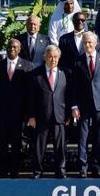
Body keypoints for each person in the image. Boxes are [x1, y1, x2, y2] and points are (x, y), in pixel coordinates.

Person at [70, 32, 100, 178]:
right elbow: (74, 86)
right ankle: (83, 167)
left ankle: (96, 167)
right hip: (83, 105)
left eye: (90, 42)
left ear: (95, 43)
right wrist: (74, 106)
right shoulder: (78, 61)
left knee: (98, 137)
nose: (87, 45)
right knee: (82, 137)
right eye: (85, 42)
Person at [26, 45, 70, 178]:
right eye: (50, 56)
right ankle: (37, 171)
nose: (53, 59)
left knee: (60, 146)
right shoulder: (35, 74)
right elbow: (30, 97)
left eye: (56, 57)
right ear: (45, 57)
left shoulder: (65, 73)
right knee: (39, 146)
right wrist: (31, 116)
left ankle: (60, 170)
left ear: (59, 58)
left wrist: (68, 115)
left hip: (59, 115)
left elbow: (68, 96)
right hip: (41, 116)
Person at [0, 38, 32, 177]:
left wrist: (28, 112)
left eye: (15, 47)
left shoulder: (27, 66)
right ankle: (2, 171)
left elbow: (29, 92)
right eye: (9, 47)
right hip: (3, 113)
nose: (12, 49)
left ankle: (15, 171)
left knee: (17, 144)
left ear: (19, 49)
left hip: (19, 114)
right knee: (2, 143)